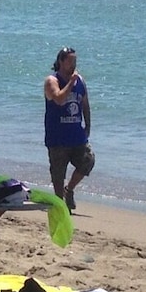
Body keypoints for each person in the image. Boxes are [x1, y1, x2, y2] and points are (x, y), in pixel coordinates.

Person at [42, 47, 93, 210]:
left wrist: (88, 125)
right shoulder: (52, 81)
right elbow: (59, 99)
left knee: (88, 161)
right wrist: (71, 82)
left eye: (75, 61)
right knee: (58, 177)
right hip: (58, 139)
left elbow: (85, 104)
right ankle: (61, 208)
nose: (73, 65)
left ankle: (69, 189)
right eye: (70, 61)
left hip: (76, 136)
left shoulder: (80, 81)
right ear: (61, 62)